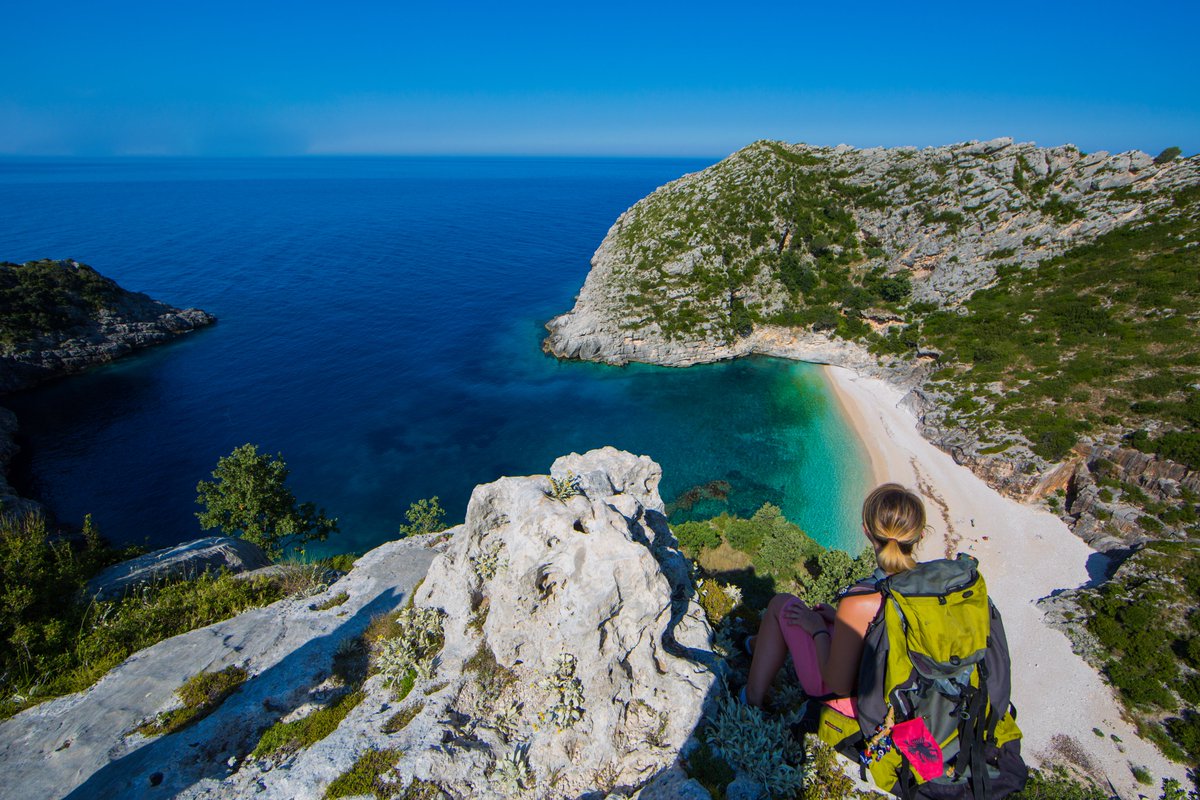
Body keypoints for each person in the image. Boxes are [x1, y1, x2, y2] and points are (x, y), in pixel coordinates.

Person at [743, 482, 927, 710]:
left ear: (866, 531)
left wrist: (818, 630)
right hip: (911, 693)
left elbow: (839, 684)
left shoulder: (860, 601)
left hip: (857, 697)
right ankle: (752, 645)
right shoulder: (935, 587)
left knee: (781, 604)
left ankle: (751, 698)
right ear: (921, 535)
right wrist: (837, 618)